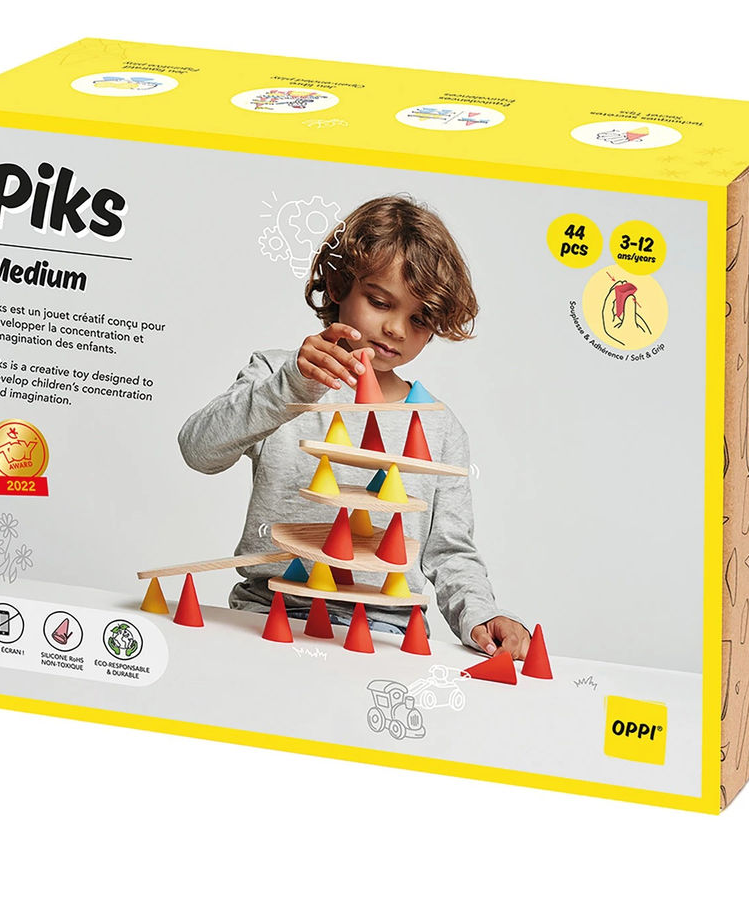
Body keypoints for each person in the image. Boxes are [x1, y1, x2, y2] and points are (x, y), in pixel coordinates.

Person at [178, 194, 530, 659]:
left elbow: (449, 551)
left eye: (419, 319)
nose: (397, 329)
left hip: (388, 629)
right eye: (380, 302)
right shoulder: (281, 376)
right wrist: (291, 386)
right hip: (272, 612)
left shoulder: (439, 427)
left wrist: (480, 615)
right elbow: (198, 450)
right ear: (339, 284)